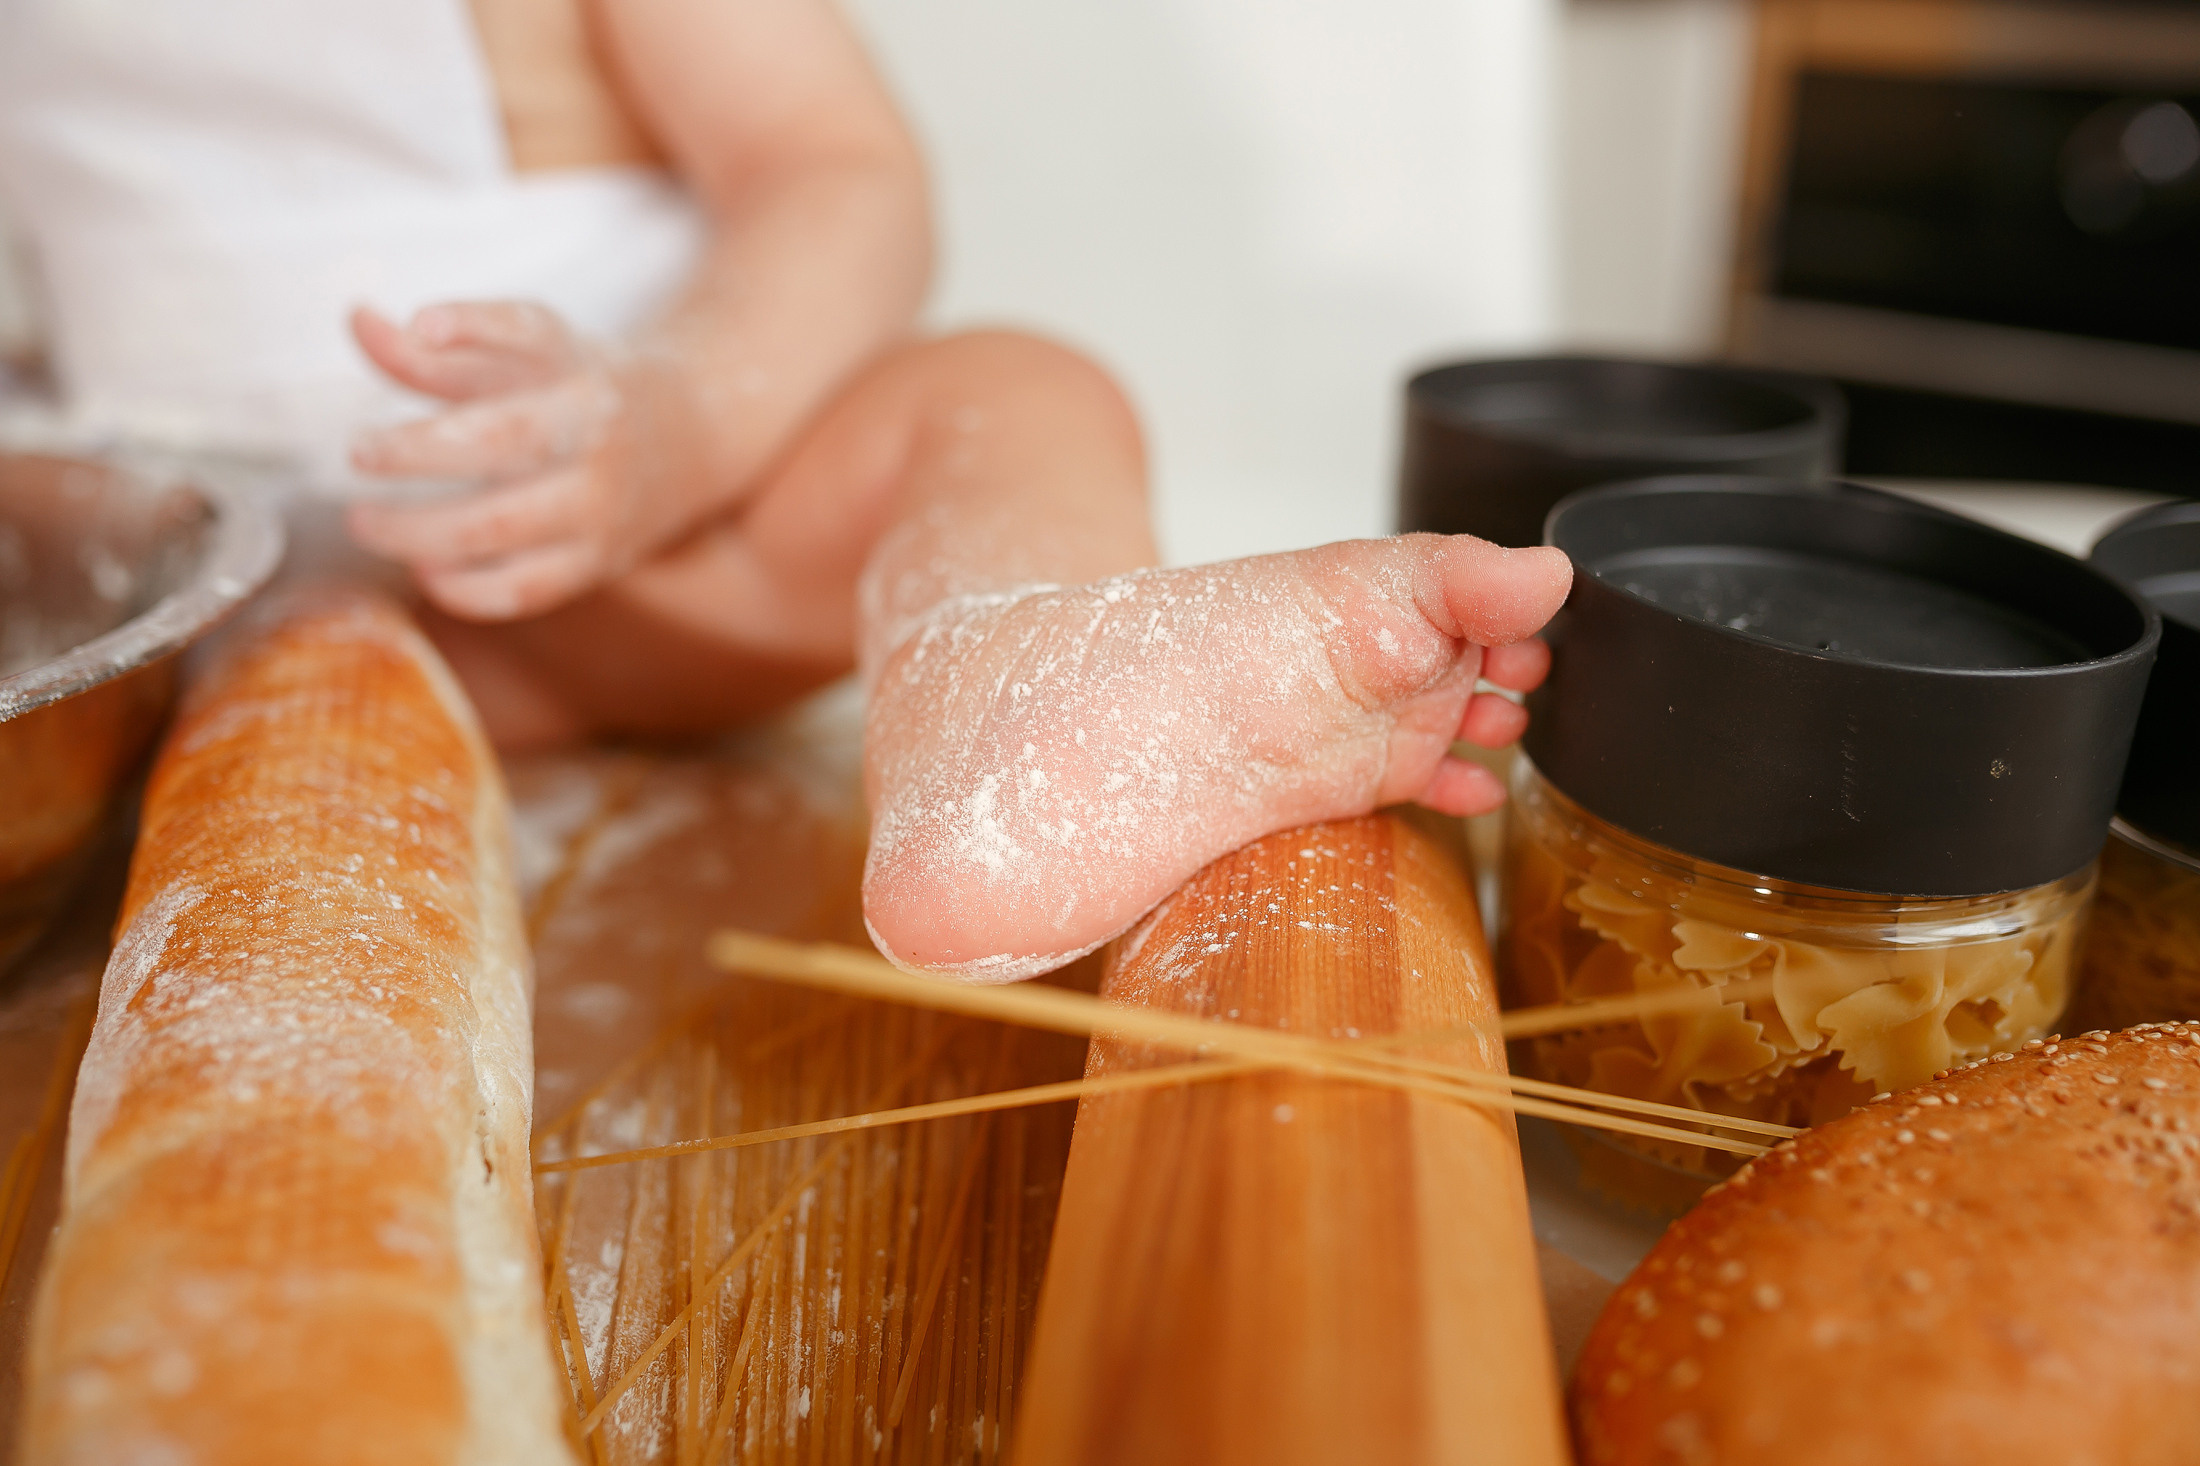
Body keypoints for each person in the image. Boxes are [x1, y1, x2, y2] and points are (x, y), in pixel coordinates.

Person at [0, 0, 1571, 981]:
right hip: (173, 615)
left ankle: (1010, 675)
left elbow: (835, 171)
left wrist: (671, 420)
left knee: (1010, 391)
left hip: (657, 558)